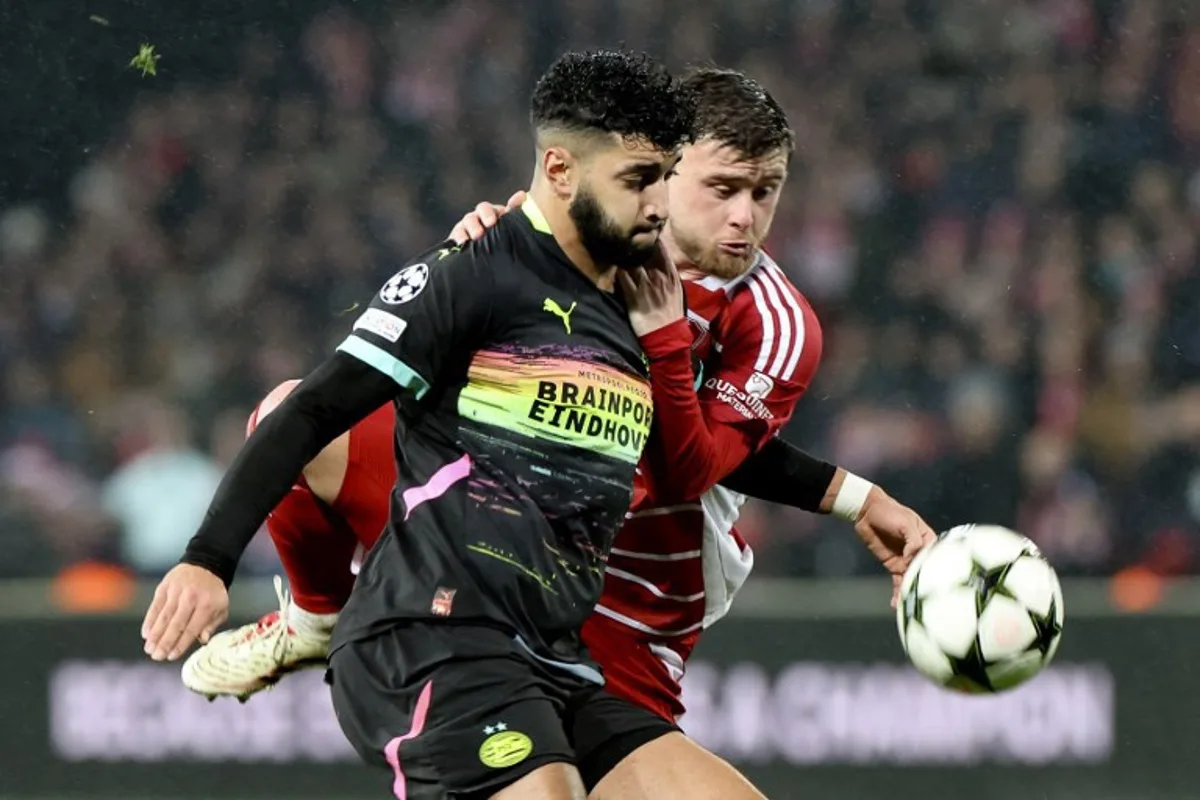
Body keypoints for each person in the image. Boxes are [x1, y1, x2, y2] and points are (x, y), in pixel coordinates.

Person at [169, 68, 936, 799]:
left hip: (625, 612)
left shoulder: (773, 321)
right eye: (721, 188)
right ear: (663, 171)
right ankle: (317, 615)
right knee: (288, 415)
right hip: (490, 554)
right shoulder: (565, 241)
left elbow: (692, 467)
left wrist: (852, 495)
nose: (744, 215)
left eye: (764, 193)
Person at [141, 49, 697, 800]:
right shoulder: (472, 272)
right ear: (560, 170)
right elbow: (313, 409)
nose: (660, 205)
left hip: (554, 660)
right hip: (433, 640)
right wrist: (208, 558)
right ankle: (312, 620)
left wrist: (858, 499)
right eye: (637, 181)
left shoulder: (638, 302)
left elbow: (718, 457)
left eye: (664, 177)